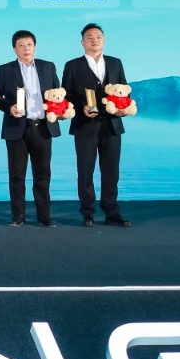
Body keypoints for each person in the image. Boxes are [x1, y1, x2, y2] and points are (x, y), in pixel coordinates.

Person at [61, 23, 132, 227]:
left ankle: (112, 212)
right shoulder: (72, 65)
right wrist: (81, 106)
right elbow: (66, 94)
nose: (94, 40)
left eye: (98, 37)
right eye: (90, 37)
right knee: (85, 170)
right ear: (82, 42)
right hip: (85, 125)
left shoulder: (115, 63)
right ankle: (88, 213)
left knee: (111, 170)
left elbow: (124, 90)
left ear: (104, 40)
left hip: (112, 124)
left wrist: (123, 108)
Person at [0, 30, 61, 227]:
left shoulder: (48, 67)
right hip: (16, 127)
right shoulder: (5, 69)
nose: (26, 48)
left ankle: (44, 216)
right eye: (21, 45)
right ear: (14, 49)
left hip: (42, 127)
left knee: (43, 174)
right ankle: (18, 216)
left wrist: (59, 110)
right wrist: (9, 107)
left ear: (35, 46)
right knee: (16, 175)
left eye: (29, 44)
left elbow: (57, 94)